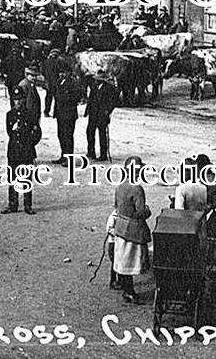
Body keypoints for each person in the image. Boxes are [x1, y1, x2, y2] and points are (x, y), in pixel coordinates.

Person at [109, 156, 151, 304]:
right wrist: (147, 211)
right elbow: (139, 212)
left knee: (122, 259)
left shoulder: (120, 186)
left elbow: (116, 205)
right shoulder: (137, 189)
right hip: (133, 229)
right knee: (131, 260)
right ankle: (129, 292)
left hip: (121, 226)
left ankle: (123, 286)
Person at [3, 87, 40, 215]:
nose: (17, 102)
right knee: (12, 178)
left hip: (26, 151)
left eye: (20, 100)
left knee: (26, 179)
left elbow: (37, 133)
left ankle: (27, 205)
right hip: (13, 151)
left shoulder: (30, 115)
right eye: (15, 100)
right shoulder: (9, 115)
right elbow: (9, 132)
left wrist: (29, 143)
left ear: (24, 100)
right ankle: (12, 204)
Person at [51, 69, 81, 165]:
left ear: (69, 73)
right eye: (60, 72)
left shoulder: (73, 83)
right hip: (60, 114)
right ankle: (63, 156)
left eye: (64, 72)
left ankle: (69, 159)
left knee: (68, 136)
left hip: (69, 114)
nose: (61, 74)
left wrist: (66, 99)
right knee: (61, 135)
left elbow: (77, 97)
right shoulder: (58, 82)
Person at [86, 81, 115, 163]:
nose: (96, 80)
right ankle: (91, 152)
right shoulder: (94, 86)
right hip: (93, 113)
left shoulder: (109, 88)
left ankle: (103, 154)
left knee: (102, 134)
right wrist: (87, 110)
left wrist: (108, 110)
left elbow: (113, 101)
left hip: (102, 114)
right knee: (90, 132)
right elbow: (90, 99)